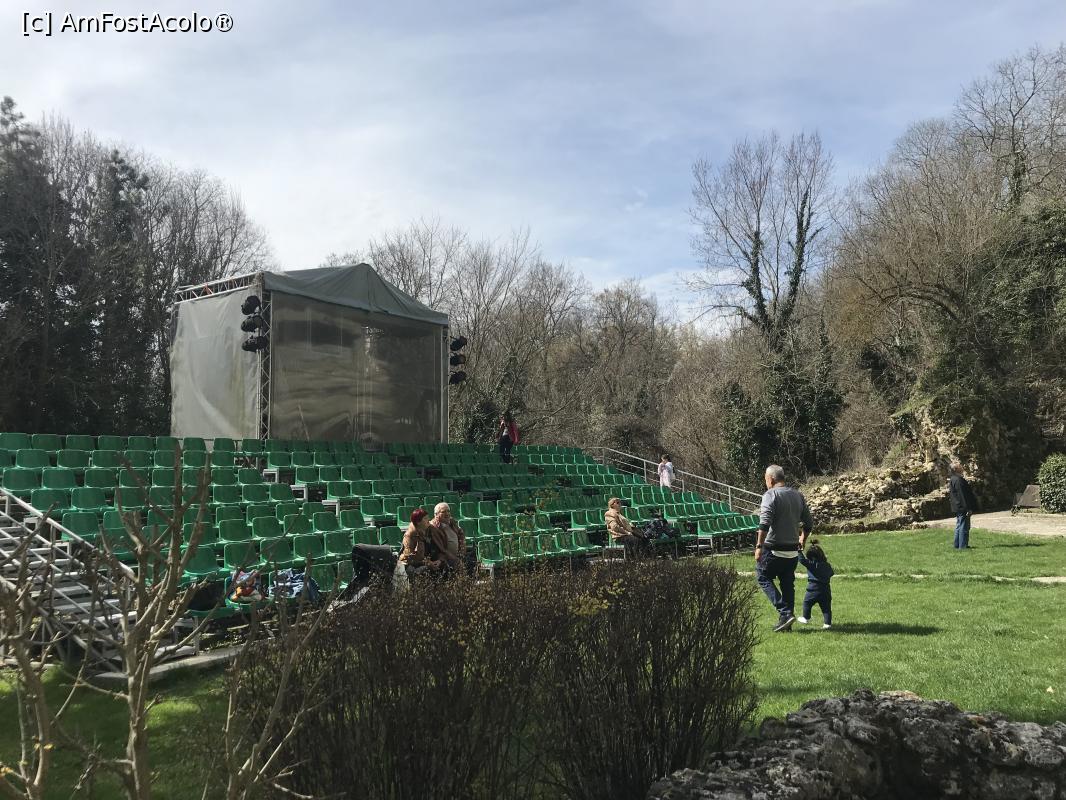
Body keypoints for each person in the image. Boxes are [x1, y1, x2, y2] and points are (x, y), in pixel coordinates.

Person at [756, 464, 813, 633]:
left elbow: (764, 523)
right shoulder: (797, 495)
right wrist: (802, 539)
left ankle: (785, 612)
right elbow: (809, 523)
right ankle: (786, 623)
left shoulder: (770, 495)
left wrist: (759, 546)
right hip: (792, 551)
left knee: (762, 576)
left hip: (773, 549)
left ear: (771, 479)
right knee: (787, 584)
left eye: (766, 479)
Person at [797, 540, 834, 629]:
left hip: (813, 589)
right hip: (826, 590)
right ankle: (827, 624)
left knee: (807, 603)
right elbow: (831, 573)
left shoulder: (811, 564)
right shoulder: (827, 565)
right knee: (826, 608)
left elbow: (802, 560)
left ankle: (806, 617)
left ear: (810, 556)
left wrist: (799, 551)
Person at [428, 501, 469, 577]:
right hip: (445, 558)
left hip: (457, 556)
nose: (447, 514)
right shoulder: (434, 527)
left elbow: (461, 533)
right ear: (436, 515)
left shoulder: (451, 521)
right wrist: (456, 559)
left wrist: (462, 551)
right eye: (443, 512)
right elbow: (442, 548)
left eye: (448, 511)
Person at [398, 508, 440, 578]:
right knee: (425, 570)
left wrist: (439, 561)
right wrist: (428, 563)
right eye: (425, 518)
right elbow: (410, 557)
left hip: (427, 561)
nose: (428, 520)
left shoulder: (429, 530)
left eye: (428, 518)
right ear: (418, 522)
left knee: (444, 566)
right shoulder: (409, 535)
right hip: (411, 565)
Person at [948, 461, 979, 550]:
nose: (962, 467)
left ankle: (957, 544)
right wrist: (968, 508)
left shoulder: (954, 478)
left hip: (958, 506)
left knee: (959, 525)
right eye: (960, 466)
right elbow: (962, 495)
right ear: (956, 469)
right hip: (962, 506)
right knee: (963, 526)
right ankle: (962, 546)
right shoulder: (958, 480)